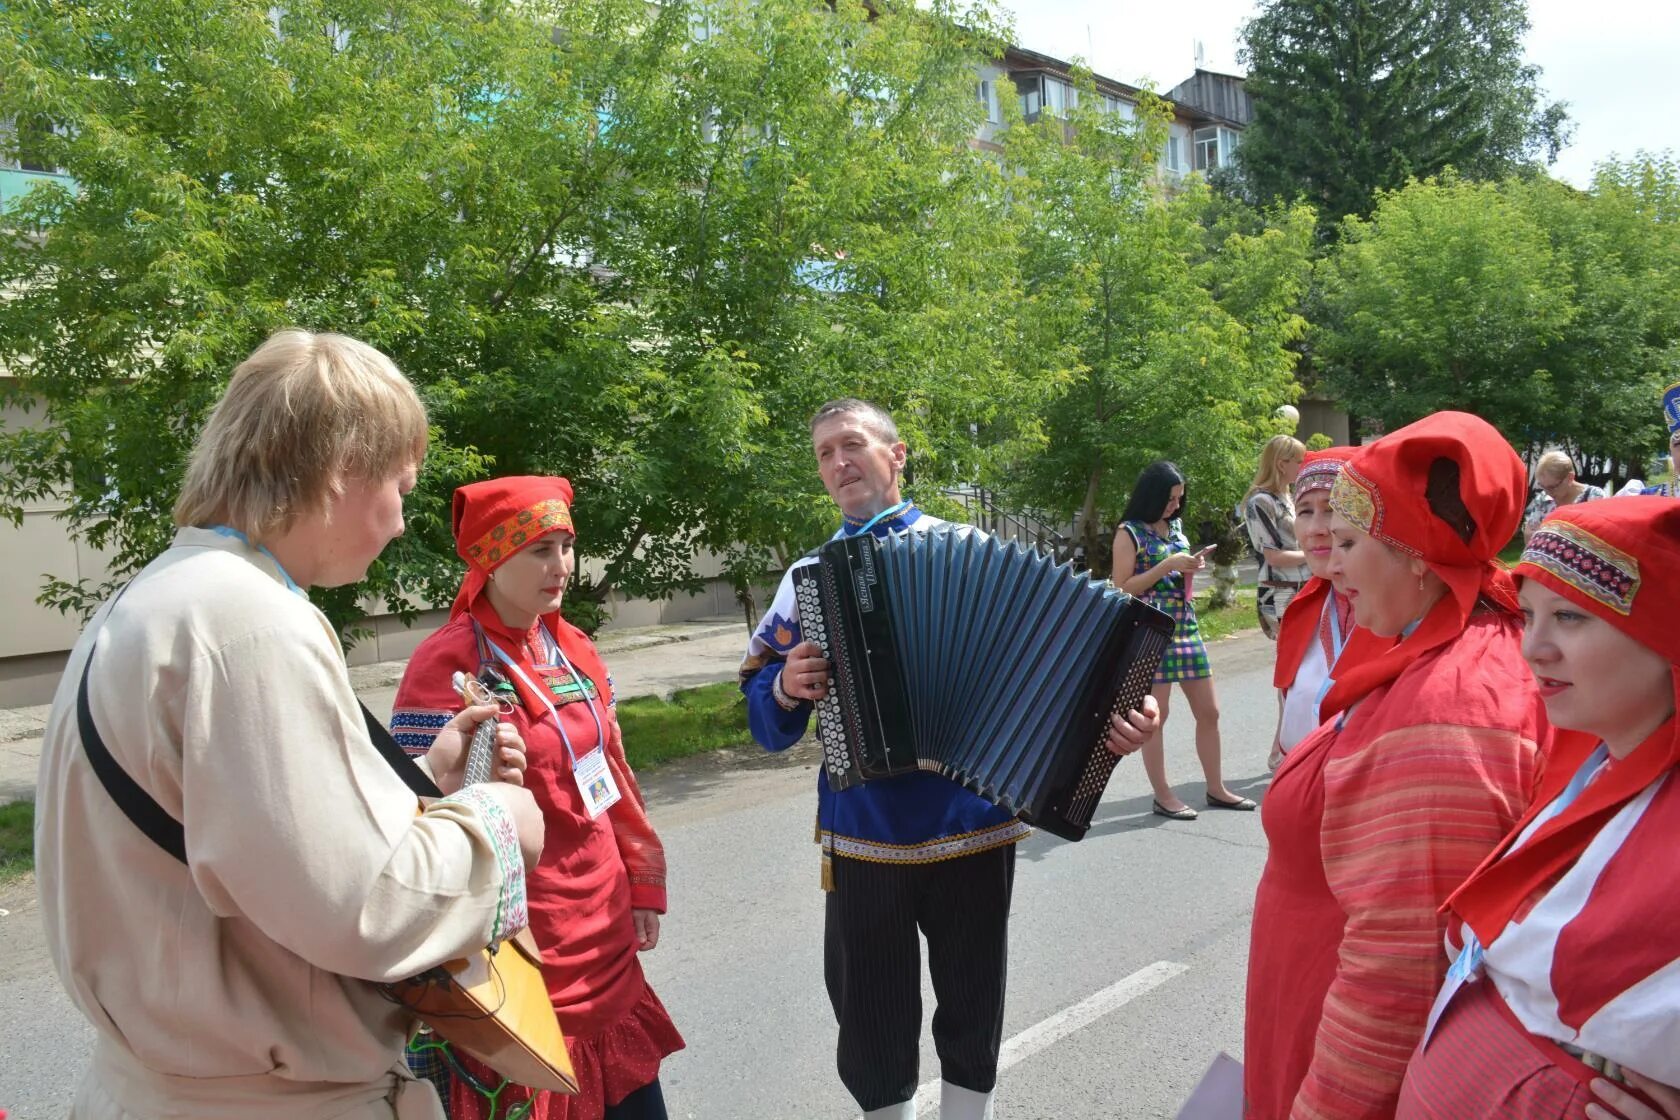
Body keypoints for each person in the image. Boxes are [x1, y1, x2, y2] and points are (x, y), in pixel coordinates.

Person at [35, 330, 543, 1120]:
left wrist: (423, 786)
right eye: (401, 486)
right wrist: (495, 822)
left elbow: (247, 842)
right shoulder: (252, 622)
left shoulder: (155, 600)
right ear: (343, 468)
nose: (403, 520)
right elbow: (369, 909)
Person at [738, 398, 1160, 1120]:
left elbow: (1064, 676)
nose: (839, 463)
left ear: (896, 455)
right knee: (871, 1015)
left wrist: (1123, 723)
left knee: (973, 1002)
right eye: (823, 454)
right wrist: (781, 686)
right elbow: (764, 720)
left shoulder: (971, 550)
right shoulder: (809, 577)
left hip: (973, 824)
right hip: (864, 831)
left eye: (853, 445)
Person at [1245, 411, 1551, 1120]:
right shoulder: (1436, 645)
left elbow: (1402, 969)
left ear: (1416, 552)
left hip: (1341, 1035)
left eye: (1351, 541)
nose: (1334, 560)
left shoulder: (1450, 702)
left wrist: (1325, 1104)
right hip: (1311, 991)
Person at [392, 476, 682, 1120]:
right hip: (520, 941)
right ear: (492, 558)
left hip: (604, 930)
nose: (561, 568)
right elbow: (414, 808)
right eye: (539, 551)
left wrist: (640, 878)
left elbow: (614, 772)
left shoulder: (574, 647)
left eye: (566, 547)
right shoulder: (446, 663)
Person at [1396, 496, 1680, 1119]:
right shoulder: (1586, 767)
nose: (1534, 649)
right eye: (1529, 615)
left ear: (1665, 636)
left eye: (1571, 618)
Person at [1113, 460, 1254, 819]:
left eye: (1179, 498)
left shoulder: (1174, 526)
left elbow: (1177, 570)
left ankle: (1216, 788)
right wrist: (1166, 566)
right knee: (1155, 718)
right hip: (1150, 633)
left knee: (1210, 711)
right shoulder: (1128, 532)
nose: (1176, 505)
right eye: (1170, 498)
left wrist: (1191, 565)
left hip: (1185, 627)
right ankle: (1163, 795)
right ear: (1152, 496)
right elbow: (1120, 589)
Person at [1266, 446, 1386, 769]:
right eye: (1304, 511)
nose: (1316, 528)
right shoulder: (1302, 611)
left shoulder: (1398, 609)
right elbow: (1290, 697)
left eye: (1332, 508)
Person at [1241, 434, 1310, 639]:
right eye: (1299, 461)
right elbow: (1273, 556)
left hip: (1302, 585)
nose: (1304, 466)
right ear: (1281, 464)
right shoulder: (1261, 501)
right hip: (1281, 591)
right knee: (1292, 655)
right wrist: (1314, 554)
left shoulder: (1290, 497)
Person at [1522, 449, 1607, 541]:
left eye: (1552, 487)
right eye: (1542, 486)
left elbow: (1595, 537)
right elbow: (1529, 536)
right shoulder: (1543, 499)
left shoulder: (1593, 496)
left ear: (1570, 478)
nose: (1547, 492)